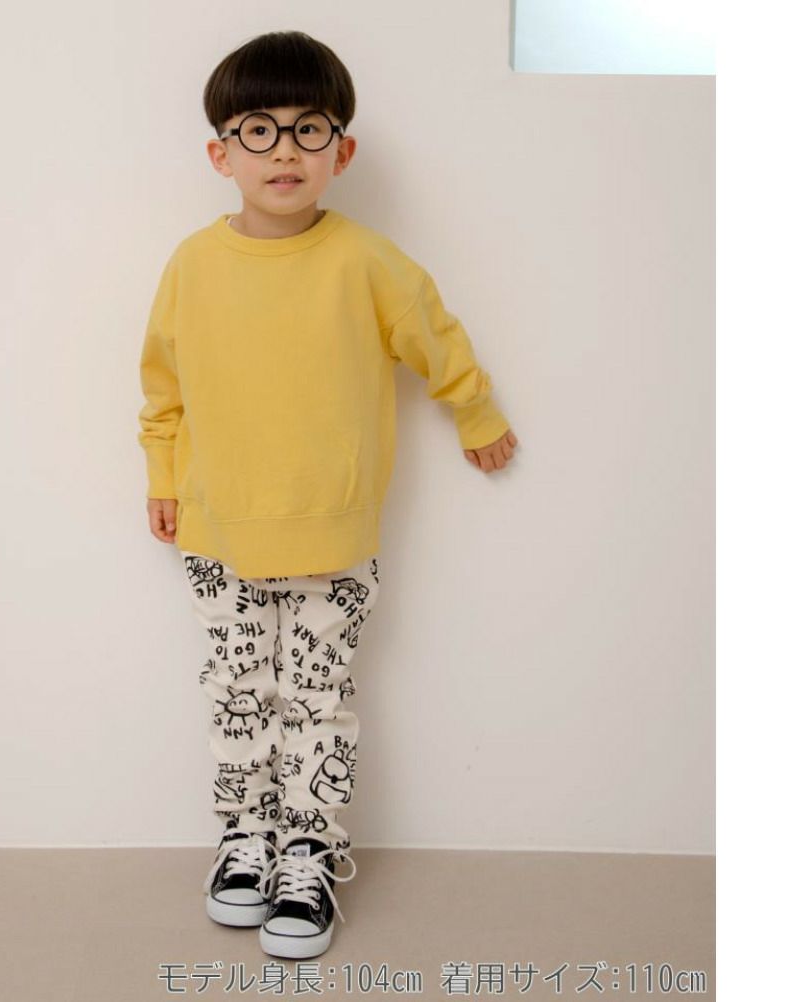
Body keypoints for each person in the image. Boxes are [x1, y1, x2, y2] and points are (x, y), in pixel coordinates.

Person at [137, 30, 518, 960]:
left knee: (318, 698)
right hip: (220, 530)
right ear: (221, 153)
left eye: (309, 129)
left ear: (341, 152)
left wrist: (475, 412)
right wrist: (162, 477)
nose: (285, 150)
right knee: (238, 693)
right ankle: (245, 838)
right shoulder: (191, 264)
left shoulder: (367, 260)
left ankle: (308, 849)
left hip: (333, 534)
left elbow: (434, 335)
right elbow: (163, 387)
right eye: (258, 130)